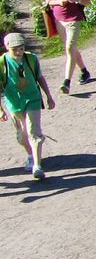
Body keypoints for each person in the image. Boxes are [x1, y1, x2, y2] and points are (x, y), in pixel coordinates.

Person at [1, 32, 55, 181]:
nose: (19, 52)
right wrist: (1, 110)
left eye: (21, 48)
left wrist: (49, 97)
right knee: (22, 135)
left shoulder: (31, 59)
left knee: (34, 132)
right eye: (15, 49)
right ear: (7, 48)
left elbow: (39, 77)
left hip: (32, 98)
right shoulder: (2, 63)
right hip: (14, 103)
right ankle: (31, 154)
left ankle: (37, 166)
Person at [44, 0, 91, 95]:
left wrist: (75, 0)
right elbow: (47, 1)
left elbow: (87, 2)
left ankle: (66, 82)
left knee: (69, 48)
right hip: (58, 20)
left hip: (73, 19)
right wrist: (58, 2)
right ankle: (84, 71)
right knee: (71, 49)